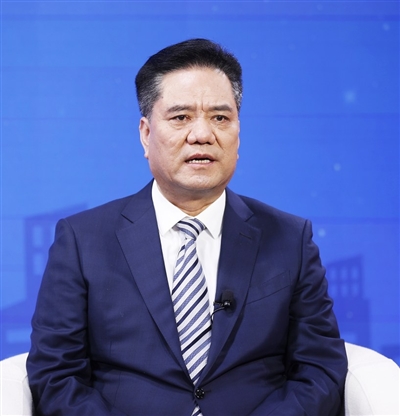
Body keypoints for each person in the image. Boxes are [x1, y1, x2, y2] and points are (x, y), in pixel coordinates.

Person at [27, 38, 347, 415]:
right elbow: (56, 373)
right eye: (181, 118)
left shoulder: (290, 239)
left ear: (238, 132)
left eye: (220, 118)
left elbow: (320, 368)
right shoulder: (83, 240)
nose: (202, 134)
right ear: (146, 134)